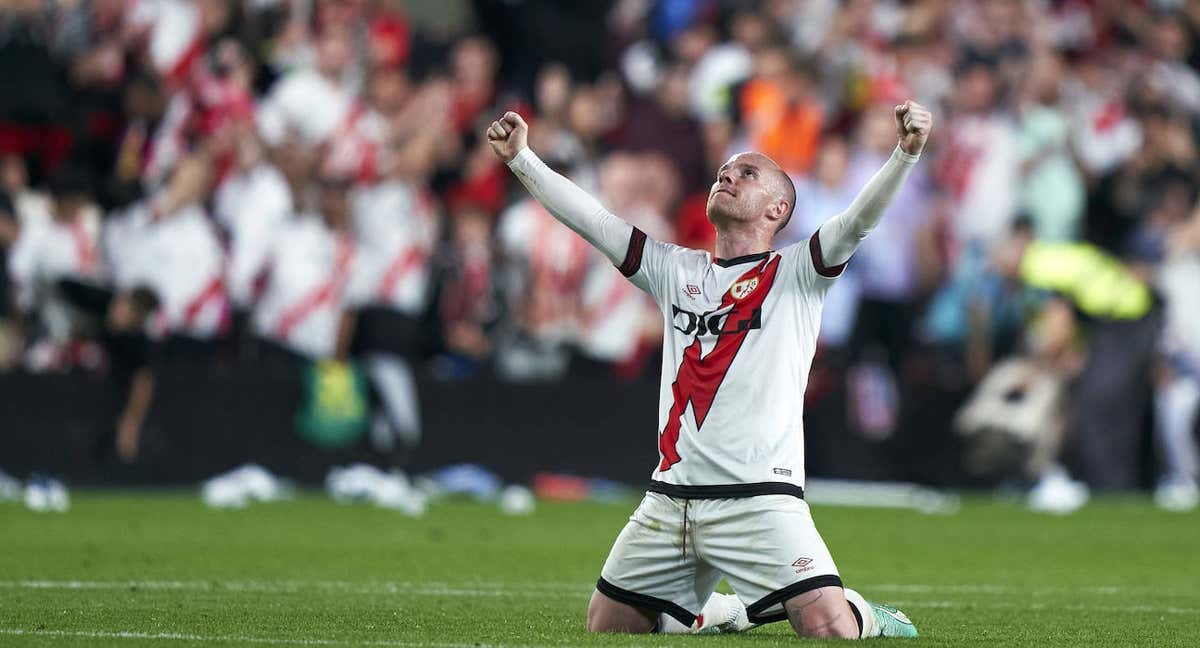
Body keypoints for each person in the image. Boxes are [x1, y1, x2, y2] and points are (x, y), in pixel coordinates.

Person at [486, 99, 932, 639]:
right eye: (725, 171)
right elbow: (595, 222)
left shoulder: (797, 272)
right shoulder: (675, 270)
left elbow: (858, 221)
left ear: (777, 210)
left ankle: (868, 614)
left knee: (829, 629)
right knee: (610, 628)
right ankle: (725, 611)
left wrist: (904, 154)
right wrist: (521, 159)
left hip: (760, 498)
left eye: (748, 173)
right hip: (671, 497)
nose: (729, 176)